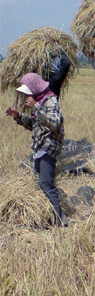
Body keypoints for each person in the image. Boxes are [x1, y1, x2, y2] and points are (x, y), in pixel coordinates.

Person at [5, 73, 65, 226]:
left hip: (49, 146)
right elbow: (34, 126)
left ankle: (60, 220)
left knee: (46, 183)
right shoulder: (39, 102)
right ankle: (47, 216)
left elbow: (54, 124)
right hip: (40, 146)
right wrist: (18, 116)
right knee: (39, 182)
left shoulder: (50, 101)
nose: (27, 95)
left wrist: (36, 107)